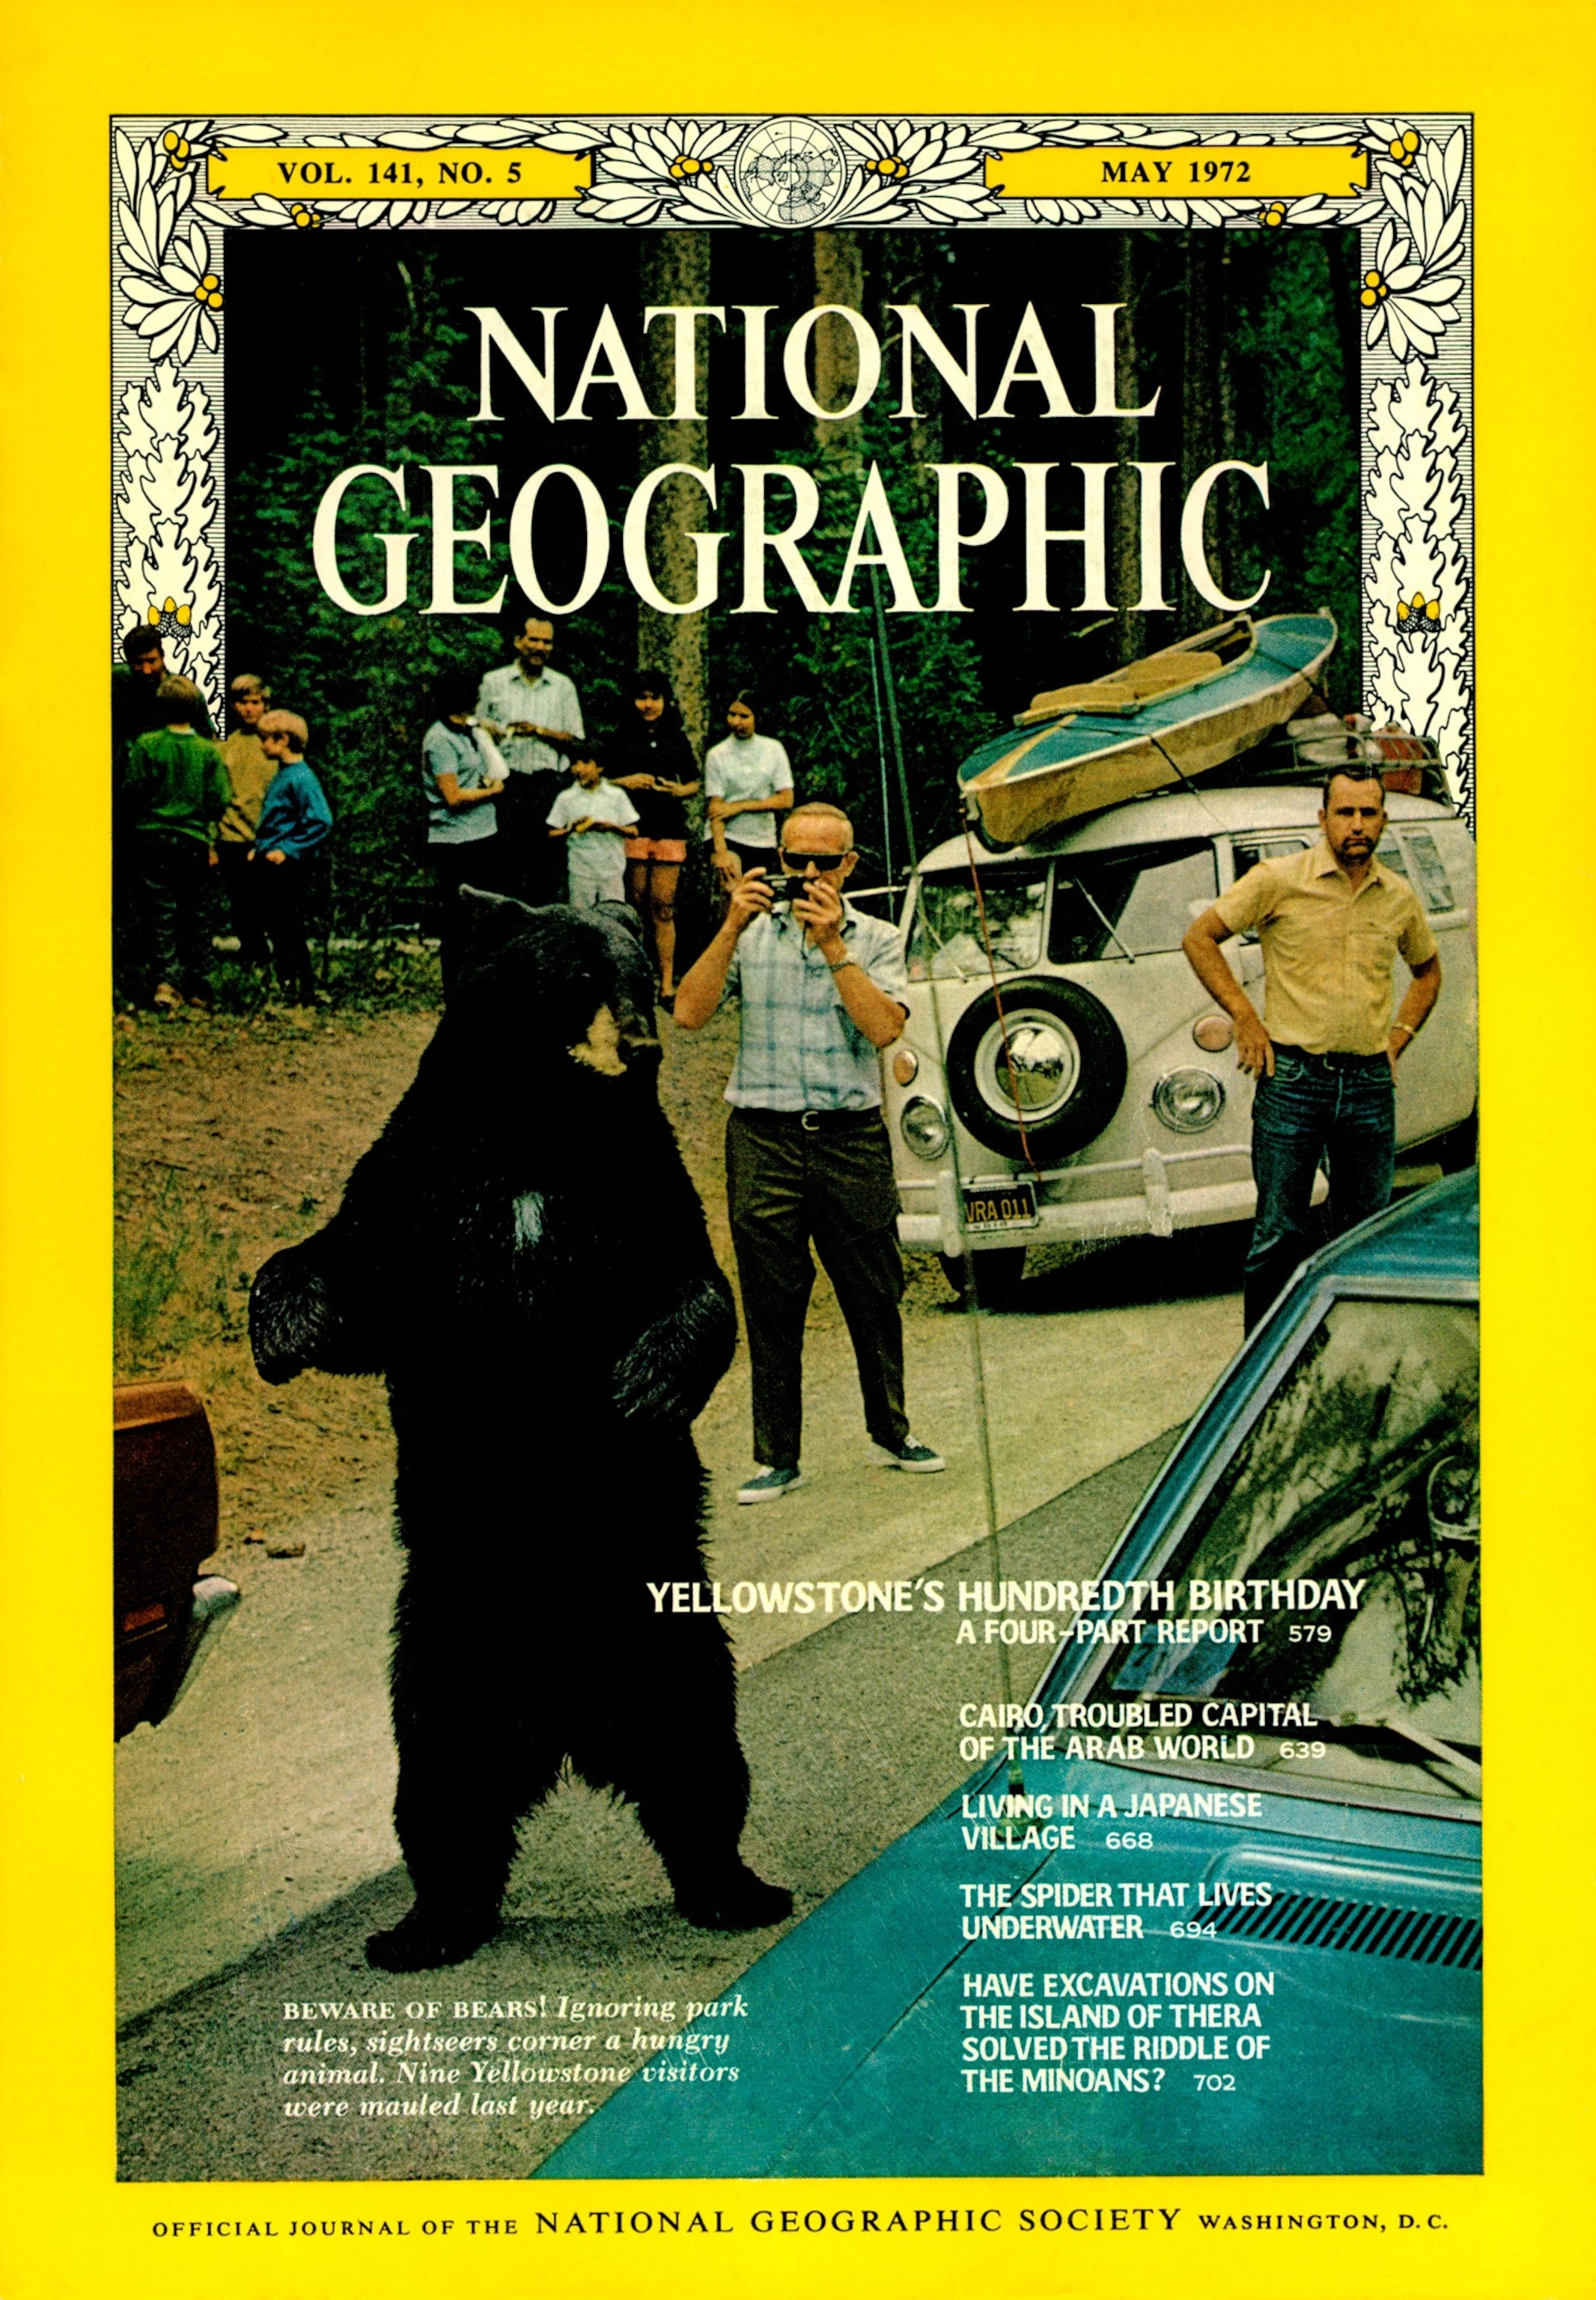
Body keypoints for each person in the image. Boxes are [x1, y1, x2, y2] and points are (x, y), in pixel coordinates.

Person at [674, 801, 945, 1502]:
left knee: (874, 1290)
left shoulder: (879, 939)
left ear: (850, 866)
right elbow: (689, 1012)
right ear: (779, 860)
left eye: (826, 862)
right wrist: (731, 925)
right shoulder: (750, 933)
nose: (810, 875)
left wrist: (834, 950)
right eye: (796, 861)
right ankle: (775, 1455)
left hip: (849, 1135)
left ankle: (892, 1430)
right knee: (770, 1297)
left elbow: (886, 1030)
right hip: (763, 1133)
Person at [1182, 768, 1443, 1333]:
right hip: (1294, 1083)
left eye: (1368, 814)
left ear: (1383, 821)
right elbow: (1200, 938)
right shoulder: (1278, 880)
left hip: (1370, 1087)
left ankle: (1348, 1363)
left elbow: (1427, 972)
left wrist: (1398, 1040)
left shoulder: (1397, 897)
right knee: (1279, 1235)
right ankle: (1265, 1376)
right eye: (1344, 813)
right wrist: (1245, 1017)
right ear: (1322, 819)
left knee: (1365, 1233)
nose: (1356, 826)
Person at [122, 674, 231, 1013]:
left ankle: (166, 982)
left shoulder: (146, 744)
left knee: (160, 912)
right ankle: (199, 984)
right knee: (196, 913)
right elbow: (220, 799)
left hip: (152, 836)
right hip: (193, 839)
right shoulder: (207, 751)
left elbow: (133, 789)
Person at [475, 612, 584, 906]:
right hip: (507, 787)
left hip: (549, 787)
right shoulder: (494, 682)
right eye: (533, 639)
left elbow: (576, 739)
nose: (540, 647)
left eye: (546, 642)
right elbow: (476, 730)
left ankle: (544, 942)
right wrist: (492, 731)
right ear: (518, 642)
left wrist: (539, 731)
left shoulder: (563, 687)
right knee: (505, 867)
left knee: (547, 871)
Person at [609, 669, 701, 998]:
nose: (648, 705)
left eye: (655, 697)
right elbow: (599, 780)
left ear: (665, 701)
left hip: (669, 828)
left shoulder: (676, 737)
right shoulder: (620, 737)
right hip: (631, 827)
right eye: (642, 697)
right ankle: (636, 979)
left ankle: (666, 984)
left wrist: (679, 790)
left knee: (663, 906)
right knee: (634, 906)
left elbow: (694, 782)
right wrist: (628, 781)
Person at [422, 673, 506, 994]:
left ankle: (482, 984)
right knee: (457, 919)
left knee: (485, 915)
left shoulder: (469, 730)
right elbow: (453, 796)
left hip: (483, 834)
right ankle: (455, 987)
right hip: (454, 841)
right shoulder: (439, 739)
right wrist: (492, 792)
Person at [251, 709, 333, 1008]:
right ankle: (288, 985)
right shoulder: (283, 775)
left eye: (265, 740)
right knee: (277, 925)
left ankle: (302, 989)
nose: (262, 746)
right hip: (271, 862)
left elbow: (321, 821)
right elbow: (275, 819)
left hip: (289, 867)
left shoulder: (302, 778)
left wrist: (287, 849)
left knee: (290, 927)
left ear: (283, 740)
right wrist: (260, 847)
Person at [704, 691, 794, 891]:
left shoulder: (773, 749)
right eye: (732, 715)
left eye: (744, 716)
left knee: (759, 898)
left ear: (756, 718)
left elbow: (785, 799)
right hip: (729, 837)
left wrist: (740, 807)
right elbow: (716, 808)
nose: (737, 722)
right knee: (733, 891)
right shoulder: (717, 754)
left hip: (763, 839)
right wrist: (721, 852)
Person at [215, 674, 273, 970]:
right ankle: (252, 955)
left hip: (268, 838)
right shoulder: (224, 747)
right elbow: (214, 795)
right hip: (232, 837)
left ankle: (271, 959)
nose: (250, 709)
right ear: (235, 706)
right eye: (244, 703)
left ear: (265, 705)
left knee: (269, 903)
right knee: (241, 904)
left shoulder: (276, 744)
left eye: (256, 702)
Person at [546, 746, 638, 909]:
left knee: (613, 919)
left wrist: (612, 827)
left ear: (599, 767)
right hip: (580, 871)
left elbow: (634, 831)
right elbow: (551, 833)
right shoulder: (566, 798)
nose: (579, 769)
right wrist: (571, 829)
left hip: (612, 871)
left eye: (586, 763)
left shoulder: (616, 796)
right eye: (575, 764)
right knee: (582, 921)